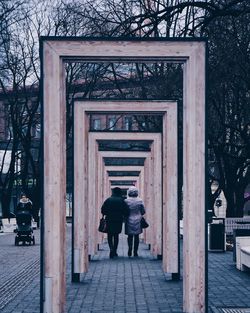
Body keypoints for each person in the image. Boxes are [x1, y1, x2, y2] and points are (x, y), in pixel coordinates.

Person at [101, 187, 129, 258]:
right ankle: (115, 251)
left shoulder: (108, 200)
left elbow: (103, 210)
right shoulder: (122, 200)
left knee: (109, 235)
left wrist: (108, 213)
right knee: (116, 235)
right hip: (118, 220)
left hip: (109, 219)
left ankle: (111, 248)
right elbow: (126, 211)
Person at [125, 186, 145, 257]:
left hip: (128, 219)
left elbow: (124, 211)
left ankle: (130, 248)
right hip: (138, 219)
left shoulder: (126, 201)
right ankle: (135, 251)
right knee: (137, 236)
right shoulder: (140, 200)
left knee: (129, 236)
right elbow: (143, 211)